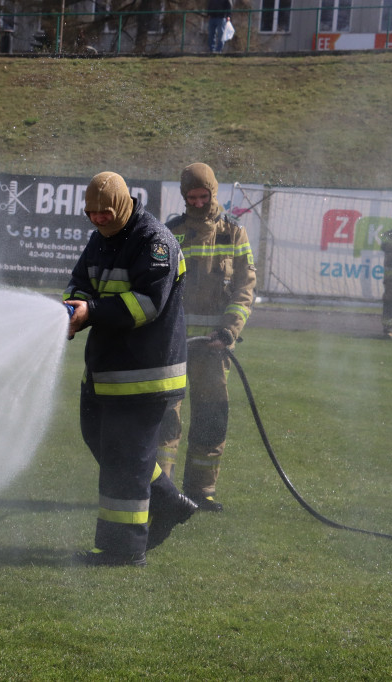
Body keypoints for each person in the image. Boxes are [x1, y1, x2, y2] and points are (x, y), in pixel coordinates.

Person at [65, 171, 198, 567]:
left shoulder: (155, 241)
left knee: (125, 459)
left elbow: (147, 304)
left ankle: (122, 550)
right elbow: (80, 281)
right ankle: (169, 501)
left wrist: (92, 312)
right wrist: (73, 307)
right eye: (91, 213)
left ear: (122, 206)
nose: (98, 219)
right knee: (101, 441)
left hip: (145, 375)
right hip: (106, 370)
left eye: (104, 213)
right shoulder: (101, 239)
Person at [158, 163, 256, 513]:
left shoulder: (234, 233)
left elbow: (244, 288)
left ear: (213, 193)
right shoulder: (170, 233)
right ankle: (162, 490)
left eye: (203, 196)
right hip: (173, 347)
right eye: (191, 198)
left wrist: (229, 331)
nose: (197, 203)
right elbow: (158, 286)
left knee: (212, 417)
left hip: (215, 347)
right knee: (166, 419)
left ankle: (201, 491)